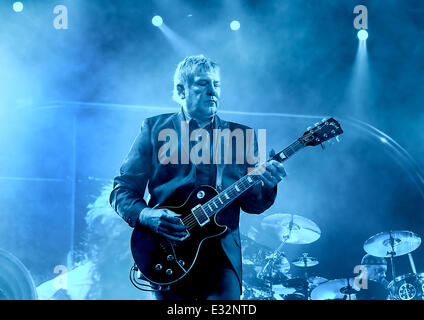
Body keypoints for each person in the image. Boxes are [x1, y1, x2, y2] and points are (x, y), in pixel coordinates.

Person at [109, 55, 286, 300]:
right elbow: (122, 189)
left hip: (222, 258)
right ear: (181, 89)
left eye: (217, 84)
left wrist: (268, 186)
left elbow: (253, 205)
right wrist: (147, 215)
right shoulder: (154, 129)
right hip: (165, 250)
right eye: (203, 84)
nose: (213, 91)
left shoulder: (242, 135)